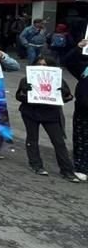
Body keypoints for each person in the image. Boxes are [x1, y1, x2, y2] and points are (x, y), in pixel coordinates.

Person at [15, 56, 80, 182]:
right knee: (32, 139)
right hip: (31, 113)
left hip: (51, 114)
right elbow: (19, 96)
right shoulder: (26, 79)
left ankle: (67, 170)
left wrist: (64, 93)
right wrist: (25, 92)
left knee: (59, 142)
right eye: (39, 64)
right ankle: (36, 165)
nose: (42, 67)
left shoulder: (58, 80)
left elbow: (68, 97)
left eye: (45, 65)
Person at [62, 41, 88, 181]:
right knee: (82, 138)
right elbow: (68, 61)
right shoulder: (85, 67)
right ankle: (81, 166)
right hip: (84, 110)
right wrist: (78, 47)